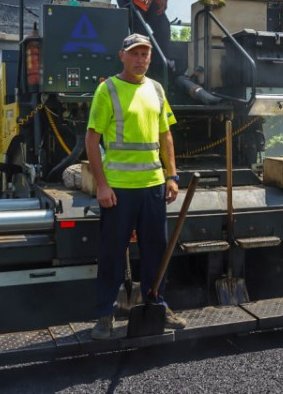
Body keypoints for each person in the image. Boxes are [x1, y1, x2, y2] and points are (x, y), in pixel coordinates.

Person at [85, 33, 186, 339]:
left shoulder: (156, 89)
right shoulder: (108, 89)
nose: (141, 59)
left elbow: (165, 134)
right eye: (135, 53)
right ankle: (104, 315)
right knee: (112, 254)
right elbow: (92, 139)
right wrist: (102, 186)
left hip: (153, 186)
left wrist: (172, 175)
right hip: (119, 189)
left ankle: (157, 304)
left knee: (156, 252)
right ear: (122, 56)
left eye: (145, 54)